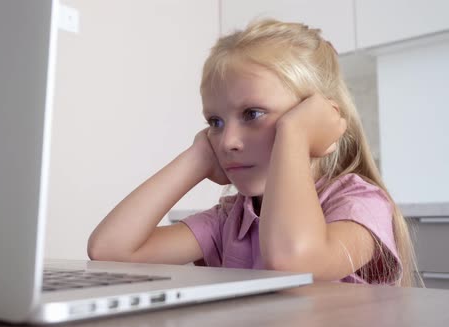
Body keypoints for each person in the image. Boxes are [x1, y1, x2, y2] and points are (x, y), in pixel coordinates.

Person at [87, 19, 421, 287]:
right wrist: (198, 156)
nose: (228, 140)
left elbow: (292, 261)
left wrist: (295, 134)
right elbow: (111, 251)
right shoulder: (230, 219)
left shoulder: (359, 204)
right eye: (215, 121)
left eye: (252, 114)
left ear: (314, 117)